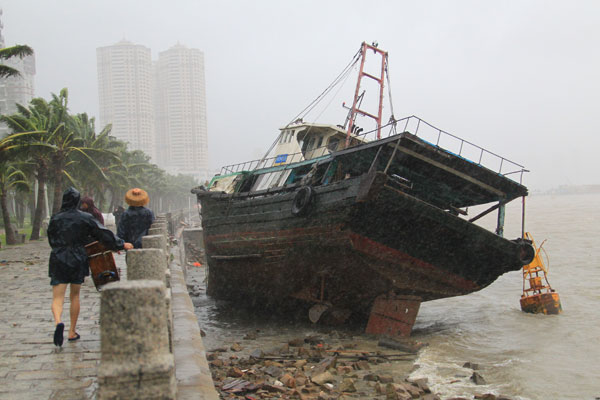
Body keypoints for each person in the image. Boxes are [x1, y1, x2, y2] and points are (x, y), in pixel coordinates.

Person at [48, 187, 133, 346]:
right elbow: (102, 233)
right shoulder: (85, 218)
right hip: (77, 256)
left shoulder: (55, 218)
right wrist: (120, 244)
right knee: (74, 295)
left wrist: (59, 248)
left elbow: (51, 238)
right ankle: (72, 331)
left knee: (57, 297)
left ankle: (58, 322)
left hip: (58, 256)